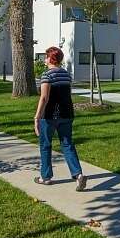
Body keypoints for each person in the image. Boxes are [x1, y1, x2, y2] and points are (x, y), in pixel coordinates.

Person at [33, 46, 86, 191]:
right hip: (67, 114)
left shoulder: (47, 75)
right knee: (67, 144)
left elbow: (44, 97)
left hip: (49, 115)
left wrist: (37, 117)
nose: (44, 59)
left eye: (46, 57)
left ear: (51, 59)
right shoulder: (66, 75)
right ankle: (78, 174)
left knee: (45, 145)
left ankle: (46, 177)